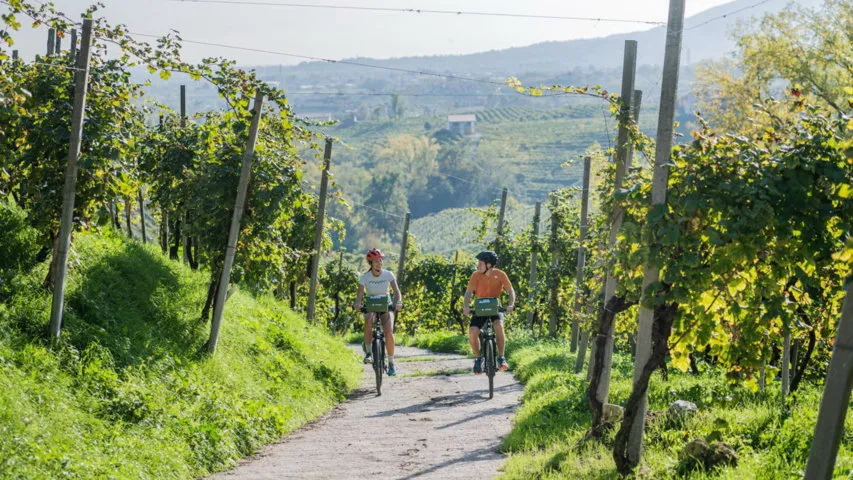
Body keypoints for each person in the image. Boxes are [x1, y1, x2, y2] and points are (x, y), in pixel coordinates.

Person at [463, 250, 515, 374]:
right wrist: (466, 306)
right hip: (480, 307)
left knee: (499, 326)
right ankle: (478, 359)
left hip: (495, 307)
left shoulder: (500, 274)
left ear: (489, 265)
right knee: (473, 331)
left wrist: (511, 304)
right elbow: (469, 292)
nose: (477, 265)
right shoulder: (475, 275)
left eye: (480, 263)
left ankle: (501, 358)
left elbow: (510, 290)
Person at [353, 248, 403, 376]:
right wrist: (357, 303)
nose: (379, 263)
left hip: (386, 305)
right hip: (372, 305)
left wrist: (398, 302)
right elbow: (359, 295)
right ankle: (369, 353)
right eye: (375, 261)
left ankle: (391, 363)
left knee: (388, 332)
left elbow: (396, 292)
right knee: (369, 319)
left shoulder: (388, 274)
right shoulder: (365, 278)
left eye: (380, 261)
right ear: (371, 263)